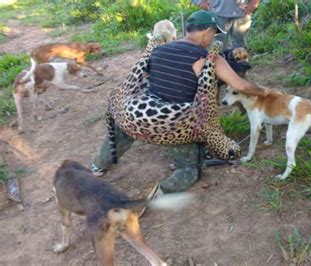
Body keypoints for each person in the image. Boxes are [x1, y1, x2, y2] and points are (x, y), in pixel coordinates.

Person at [91, 10, 268, 196]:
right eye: (213, 34)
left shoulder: (158, 50)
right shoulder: (209, 59)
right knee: (191, 170)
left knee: (122, 131)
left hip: (137, 115)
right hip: (174, 125)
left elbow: (142, 78)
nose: (212, 39)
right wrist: (264, 91)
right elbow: (241, 85)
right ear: (208, 31)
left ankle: (98, 165)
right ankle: (161, 191)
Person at [192, 0, 260, 49]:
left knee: (240, 43)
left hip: (242, 12)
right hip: (216, 12)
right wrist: (199, 1)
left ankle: (240, 66)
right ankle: (219, 65)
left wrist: (254, 2)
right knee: (217, 44)